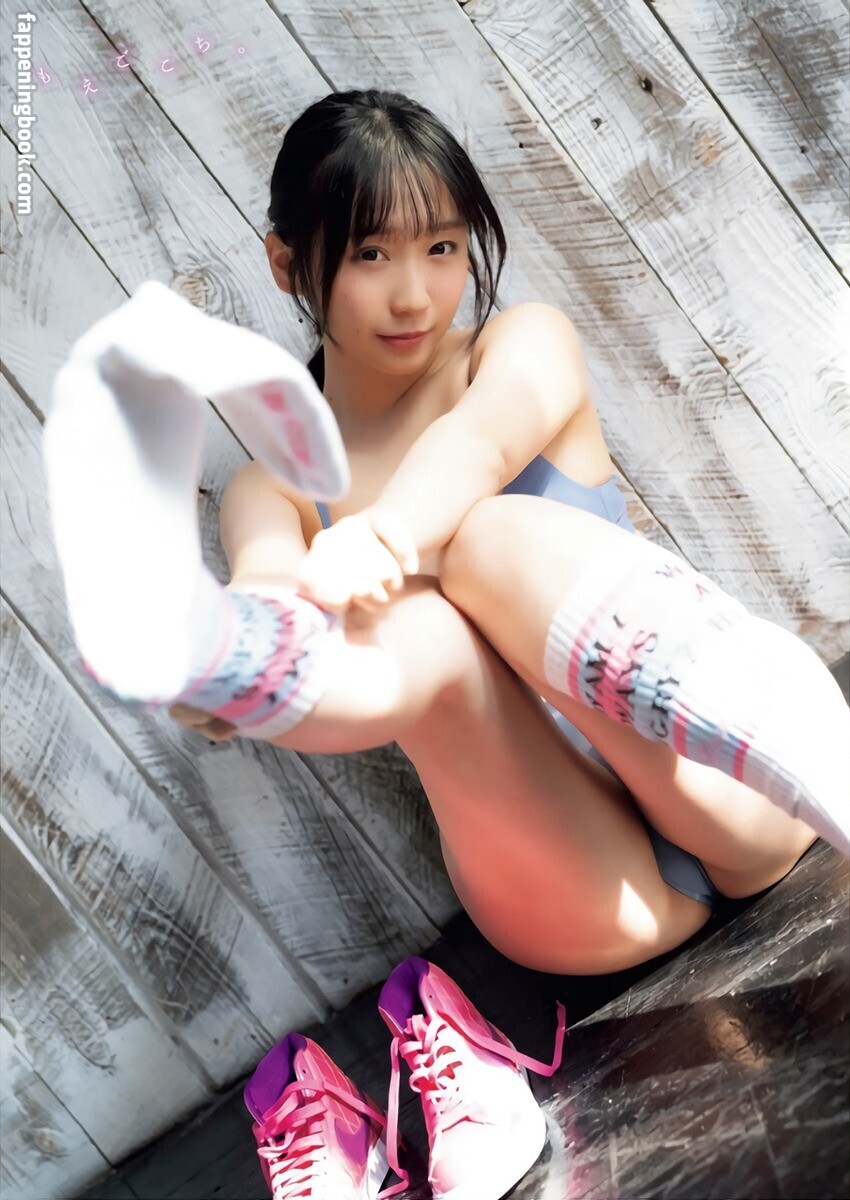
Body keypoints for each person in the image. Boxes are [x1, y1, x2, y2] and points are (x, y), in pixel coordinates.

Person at [45, 89, 846, 981]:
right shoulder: (274, 489)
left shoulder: (517, 345)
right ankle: (242, 667)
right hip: (584, 886)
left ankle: (799, 744)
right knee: (409, 630)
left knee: (488, 538)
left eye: (442, 248)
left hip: (730, 779)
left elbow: (480, 442)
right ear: (286, 263)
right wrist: (230, 666)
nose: (413, 294)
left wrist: (384, 536)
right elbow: (268, 582)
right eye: (370, 253)